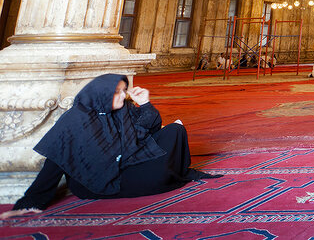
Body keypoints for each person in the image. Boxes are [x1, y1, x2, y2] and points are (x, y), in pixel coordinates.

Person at [2, 75, 219, 218]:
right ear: (101, 94)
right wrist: (32, 200)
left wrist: (144, 103)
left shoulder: (121, 110)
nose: (123, 95)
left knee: (175, 131)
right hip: (94, 184)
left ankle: (165, 175)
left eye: (124, 90)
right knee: (162, 171)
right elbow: (56, 160)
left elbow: (149, 128)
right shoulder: (77, 119)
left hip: (124, 166)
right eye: (117, 92)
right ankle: (164, 176)